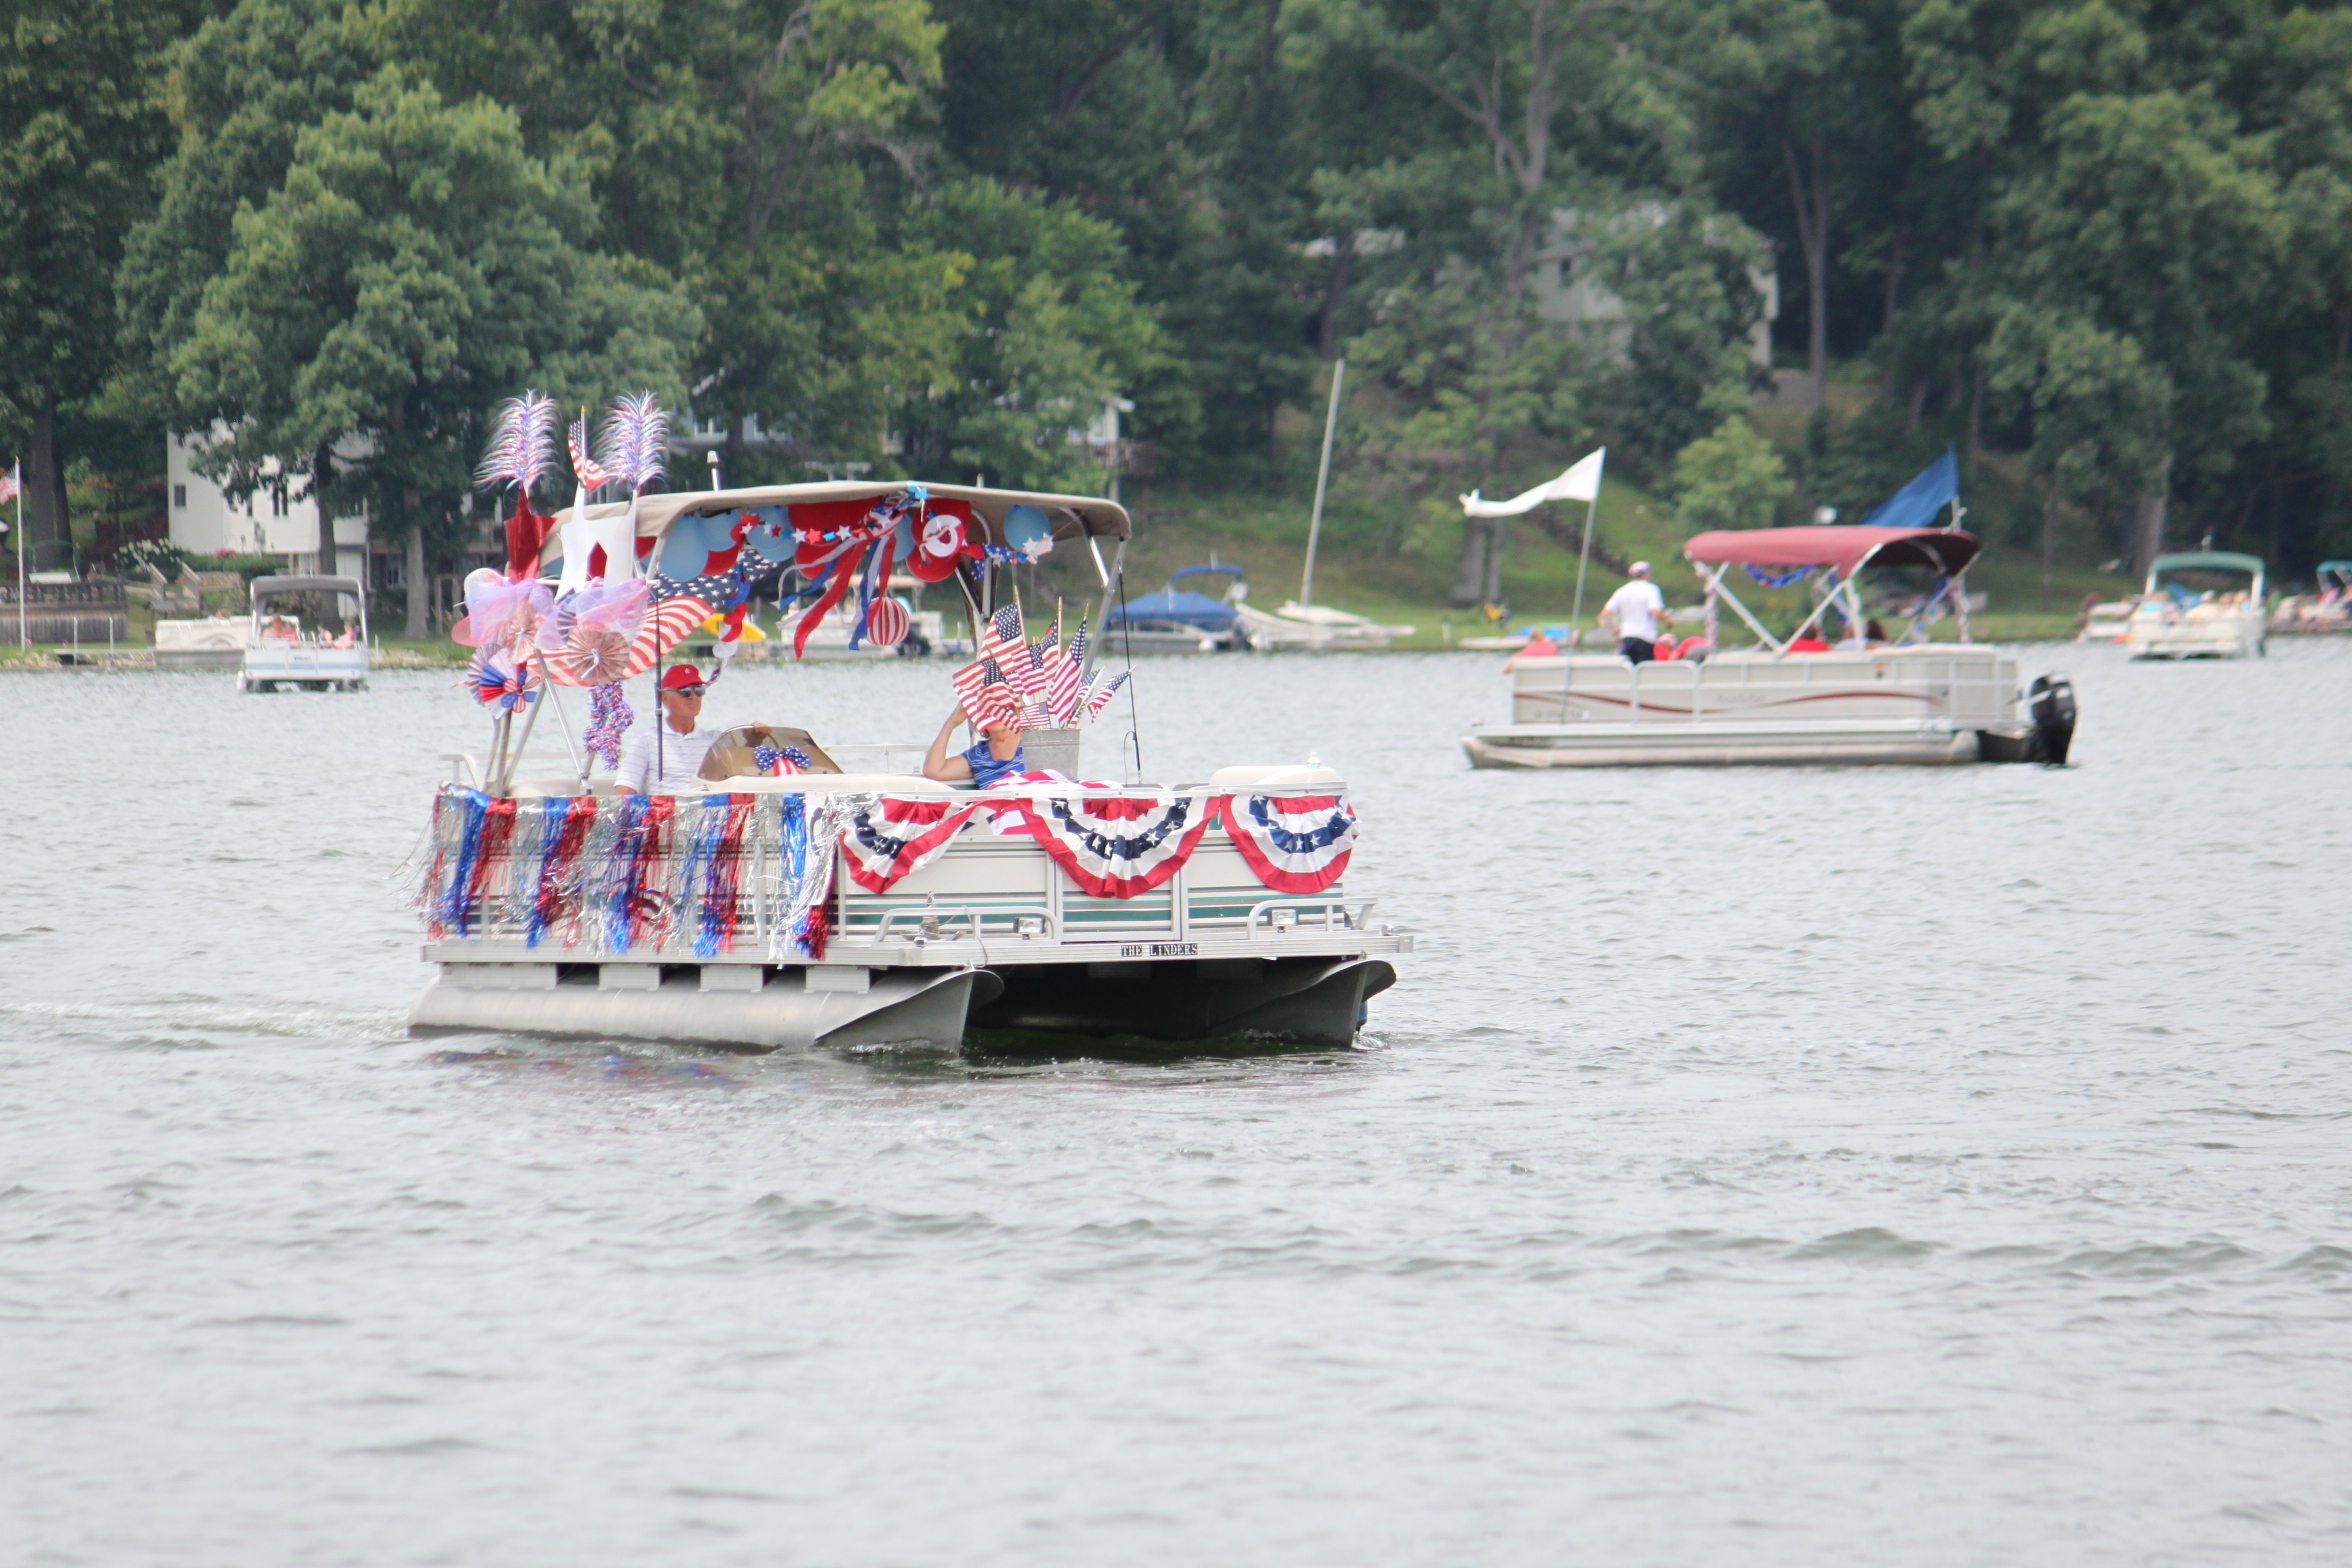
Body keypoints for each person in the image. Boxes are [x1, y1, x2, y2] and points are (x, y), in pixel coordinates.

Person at [616, 665, 720, 794]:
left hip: (704, 805)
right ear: (665, 698)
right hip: (664, 806)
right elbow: (624, 790)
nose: (693, 696)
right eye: (685, 691)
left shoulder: (716, 741)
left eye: (699, 690)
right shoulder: (647, 740)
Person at [923, 706, 1024, 787]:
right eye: (987, 709)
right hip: (991, 807)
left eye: (1000, 707)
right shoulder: (978, 755)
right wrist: (951, 723)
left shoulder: (1029, 744)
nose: (995, 713)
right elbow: (934, 770)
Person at [1601, 561, 1666, 663]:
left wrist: (1615, 631)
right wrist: (1668, 620)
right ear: (1646, 575)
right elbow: (1655, 612)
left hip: (1627, 636)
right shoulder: (1651, 589)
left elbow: (1605, 614)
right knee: (1644, 668)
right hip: (1645, 637)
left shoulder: (1622, 591)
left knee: (1628, 668)